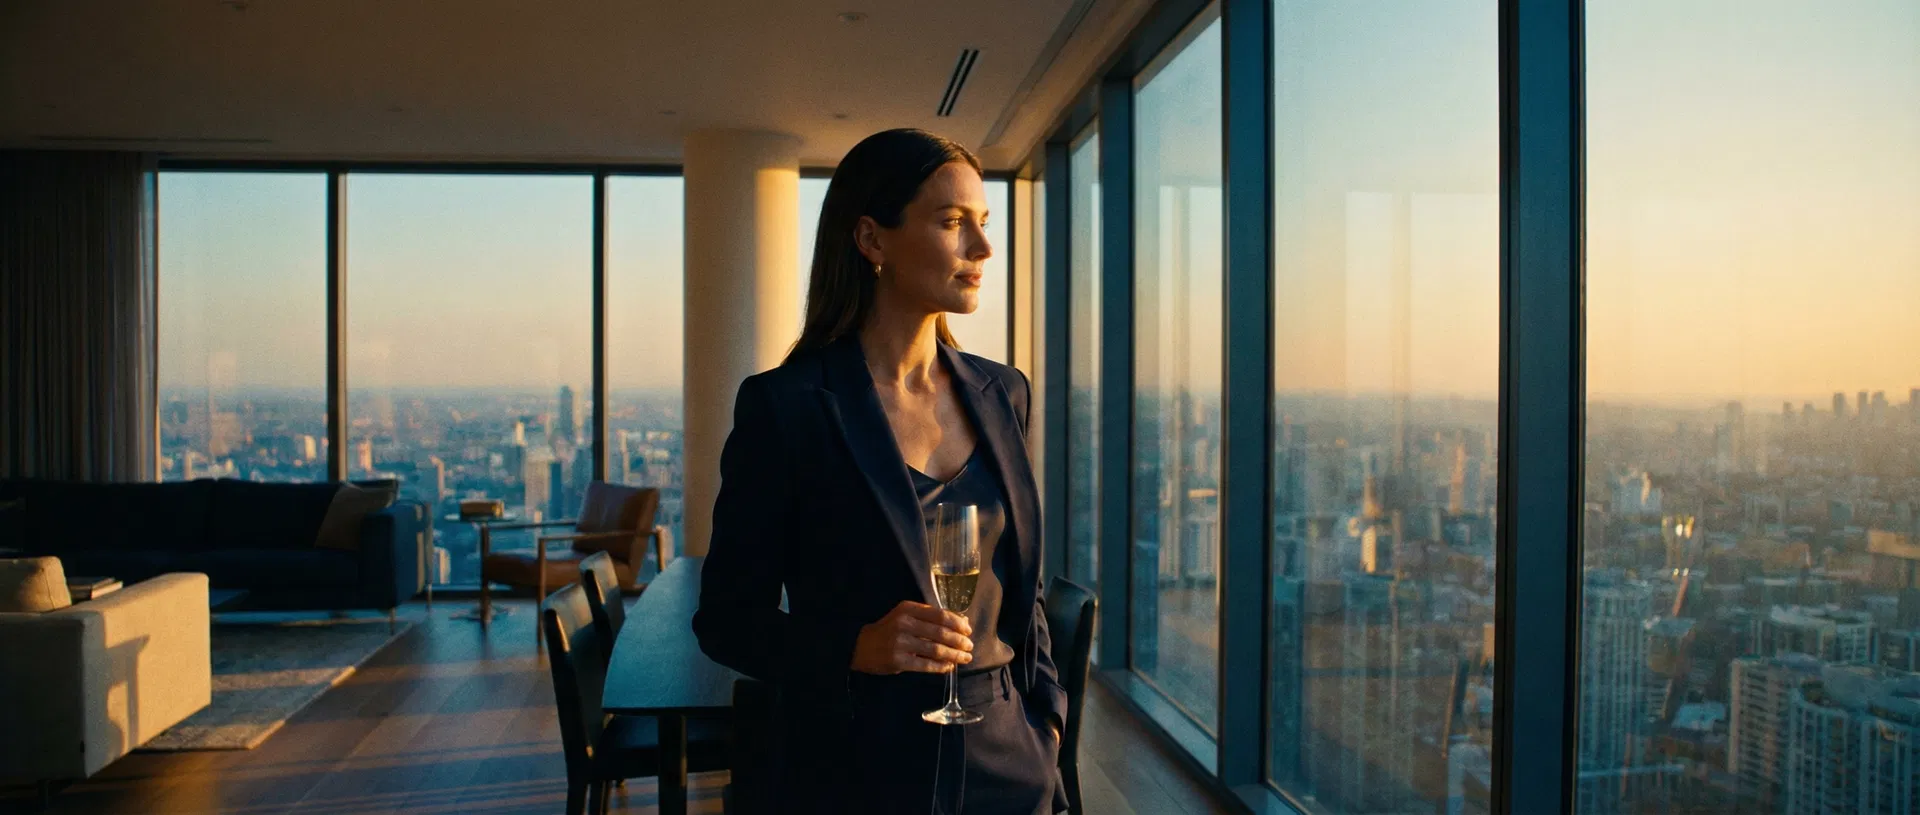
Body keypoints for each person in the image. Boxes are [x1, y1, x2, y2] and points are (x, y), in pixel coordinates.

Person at [692, 128, 1067, 814]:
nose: (983, 249)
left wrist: (1047, 727)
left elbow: (1024, 591)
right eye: (954, 223)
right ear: (871, 240)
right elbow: (724, 619)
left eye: (983, 223)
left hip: (1009, 765)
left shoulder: (1004, 392)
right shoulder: (786, 408)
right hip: (857, 769)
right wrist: (853, 646)